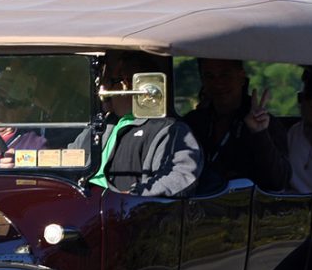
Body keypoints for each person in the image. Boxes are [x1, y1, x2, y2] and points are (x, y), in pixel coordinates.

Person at [86, 51, 201, 198]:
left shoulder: (169, 129)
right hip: (80, 201)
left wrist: (134, 196)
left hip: (119, 207)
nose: (104, 88)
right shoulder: (102, 124)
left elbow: (181, 176)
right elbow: (71, 157)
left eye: (110, 81)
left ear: (127, 84)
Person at [184, 58, 291, 190]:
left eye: (225, 75)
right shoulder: (193, 123)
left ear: (241, 77)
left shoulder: (265, 123)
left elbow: (278, 183)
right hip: (200, 200)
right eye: (209, 76)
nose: (218, 83)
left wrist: (260, 134)